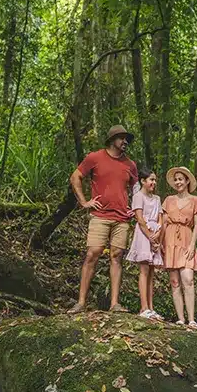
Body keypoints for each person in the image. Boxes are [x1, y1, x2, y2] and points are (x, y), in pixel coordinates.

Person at [68, 125, 139, 313]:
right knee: (93, 253)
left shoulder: (130, 165)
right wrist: (84, 202)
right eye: (121, 138)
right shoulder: (95, 157)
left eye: (126, 139)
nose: (125, 142)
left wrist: (136, 209)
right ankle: (81, 302)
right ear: (112, 140)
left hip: (122, 218)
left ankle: (114, 303)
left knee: (116, 256)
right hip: (100, 215)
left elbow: (137, 188)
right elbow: (76, 177)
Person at [161, 166, 197, 329]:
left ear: (187, 181)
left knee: (188, 279)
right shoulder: (168, 200)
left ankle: (192, 319)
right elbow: (164, 223)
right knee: (174, 281)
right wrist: (160, 243)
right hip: (170, 239)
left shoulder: (196, 200)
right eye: (176, 179)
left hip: (186, 239)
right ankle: (180, 319)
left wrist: (192, 244)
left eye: (181, 179)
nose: (178, 182)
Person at [126, 168, 165, 320]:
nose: (154, 183)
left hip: (155, 233)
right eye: (151, 180)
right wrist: (150, 237)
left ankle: (151, 307)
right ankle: (143, 308)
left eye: (155, 180)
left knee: (151, 272)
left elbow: (160, 218)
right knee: (143, 270)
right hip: (144, 235)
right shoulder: (138, 196)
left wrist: (158, 234)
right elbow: (140, 219)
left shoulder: (157, 198)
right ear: (143, 181)